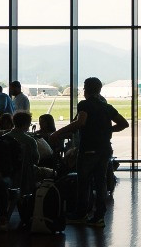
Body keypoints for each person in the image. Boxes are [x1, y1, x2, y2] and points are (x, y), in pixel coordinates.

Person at [54, 77, 130, 228]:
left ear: (86, 89)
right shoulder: (107, 107)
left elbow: (81, 122)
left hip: (88, 148)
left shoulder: (84, 104)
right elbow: (124, 123)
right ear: (100, 89)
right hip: (105, 149)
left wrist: (58, 133)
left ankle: (81, 214)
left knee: (84, 182)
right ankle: (99, 216)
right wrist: (107, 130)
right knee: (100, 182)